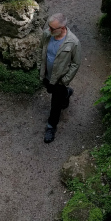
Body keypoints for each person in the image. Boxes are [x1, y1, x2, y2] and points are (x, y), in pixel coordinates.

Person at [39, 13, 81, 143]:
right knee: (50, 90)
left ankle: (51, 127)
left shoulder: (73, 42)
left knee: (55, 104)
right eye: (49, 27)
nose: (49, 30)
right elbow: (41, 50)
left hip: (60, 79)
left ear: (62, 27)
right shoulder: (47, 34)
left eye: (52, 28)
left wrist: (65, 80)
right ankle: (67, 93)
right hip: (47, 75)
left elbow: (76, 63)